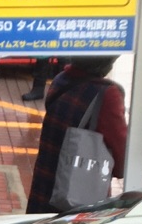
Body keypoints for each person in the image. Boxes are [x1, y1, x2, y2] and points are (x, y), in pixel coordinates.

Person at [26, 56, 127, 213]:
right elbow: (121, 148)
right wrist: (120, 169)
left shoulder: (60, 80)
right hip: (77, 191)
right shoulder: (107, 94)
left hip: (45, 181)